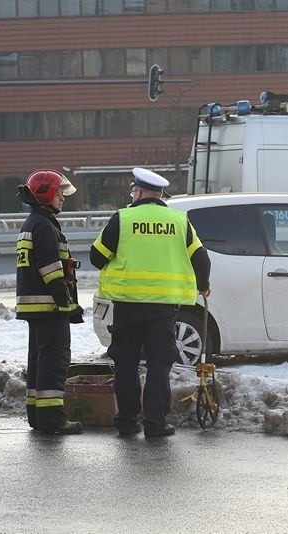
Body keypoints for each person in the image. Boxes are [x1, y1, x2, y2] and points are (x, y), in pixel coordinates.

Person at [90, 168, 211, 438]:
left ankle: (127, 421)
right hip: (164, 307)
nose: (132, 195)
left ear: (141, 192)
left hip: (128, 305)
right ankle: (156, 423)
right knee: (159, 363)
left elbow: (97, 257)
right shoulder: (179, 221)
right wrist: (203, 285)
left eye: (133, 191)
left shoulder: (123, 218)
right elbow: (201, 258)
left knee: (126, 362)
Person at [15, 169, 85, 434]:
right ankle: (52, 419)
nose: (62, 199)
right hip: (49, 306)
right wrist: (65, 302)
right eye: (58, 193)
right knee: (54, 363)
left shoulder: (33, 223)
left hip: (37, 308)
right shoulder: (44, 226)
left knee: (39, 362)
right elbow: (51, 269)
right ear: (45, 194)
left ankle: (37, 415)